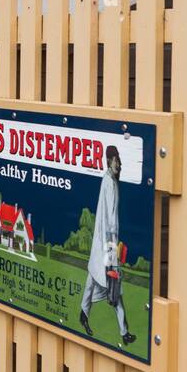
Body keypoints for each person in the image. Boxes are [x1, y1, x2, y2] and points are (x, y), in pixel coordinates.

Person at [80, 145, 136, 346]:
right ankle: (124, 332)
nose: (119, 165)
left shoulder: (107, 181)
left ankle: (84, 314)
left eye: (119, 161)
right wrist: (114, 249)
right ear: (109, 161)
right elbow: (111, 219)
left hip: (103, 242)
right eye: (116, 161)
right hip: (108, 243)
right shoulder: (110, 183)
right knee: (114, 287)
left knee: (94, 279)